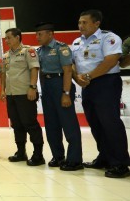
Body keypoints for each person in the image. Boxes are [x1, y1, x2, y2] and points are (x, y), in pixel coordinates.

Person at [71, 10, 130, 178]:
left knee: (110, 123)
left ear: (96, 23)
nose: (80, 26)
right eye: (79, 22)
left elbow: (111, 61)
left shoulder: (109, 38)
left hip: (106, 83)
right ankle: (104, 157)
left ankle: (121, 163)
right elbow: (73, 63)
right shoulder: (77, 42)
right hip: (86, 85)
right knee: (95, 123)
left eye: (84, 22)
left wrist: (89, 76)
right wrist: (77, 78)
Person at [35, 22, 83, 171]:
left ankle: (75, 159)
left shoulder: (61, 48)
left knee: (68, 123)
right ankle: (58, 156)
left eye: (40, 34)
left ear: (50, 34)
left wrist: (66, 93)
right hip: (47, 86)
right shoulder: (39, 51)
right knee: (51, 124)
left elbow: (68, 71)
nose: (37, 37)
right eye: (36, 34)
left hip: (60, 84)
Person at [1, 28, 45, 166]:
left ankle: (38, 155)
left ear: (18, 37)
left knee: (30, 123)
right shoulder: (6, 55)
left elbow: (34, 69)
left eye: (9, 38)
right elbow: (4, 74)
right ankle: (21, 152)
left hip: (25, 93)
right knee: (16, 124)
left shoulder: (28, 51)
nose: (6, 40)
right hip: (11, 94)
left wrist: (32, 87)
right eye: (5, 38)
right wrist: (3, 90)